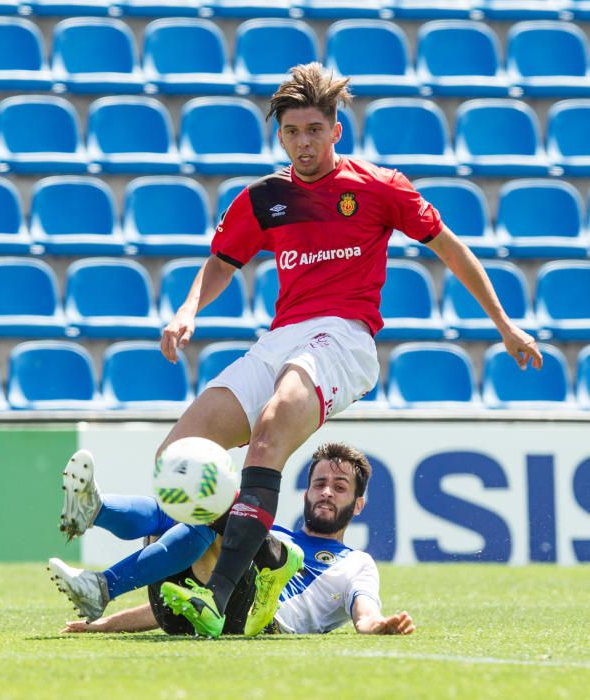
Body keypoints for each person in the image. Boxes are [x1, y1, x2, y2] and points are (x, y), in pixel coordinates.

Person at [114, 62, 545, 639]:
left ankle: (218, 597)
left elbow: (450, 247)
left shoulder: (379, 187)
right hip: (282, 336)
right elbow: (222, 262)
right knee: (178, 455)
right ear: (281, 135)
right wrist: (189, 308)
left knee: (270, 429)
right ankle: (261, 558)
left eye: (314, 130)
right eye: (292, 132)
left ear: (336, 130)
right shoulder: (264, 197)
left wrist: (505, 325)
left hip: (345, 335)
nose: (303, 143)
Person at [49, 443, 414, 637]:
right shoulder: (274, 534)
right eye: (319, 484)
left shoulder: (356, 563)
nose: (326, 493)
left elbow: (364, 612)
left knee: (215, 512)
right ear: (305, 494)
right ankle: (96, 514)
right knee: (199, 516)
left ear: (359, 503)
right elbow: (178, 593)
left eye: (340, 487)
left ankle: (102, 577)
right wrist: (105, 625)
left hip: (263, 621)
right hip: (197, 607)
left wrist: (375, 625)